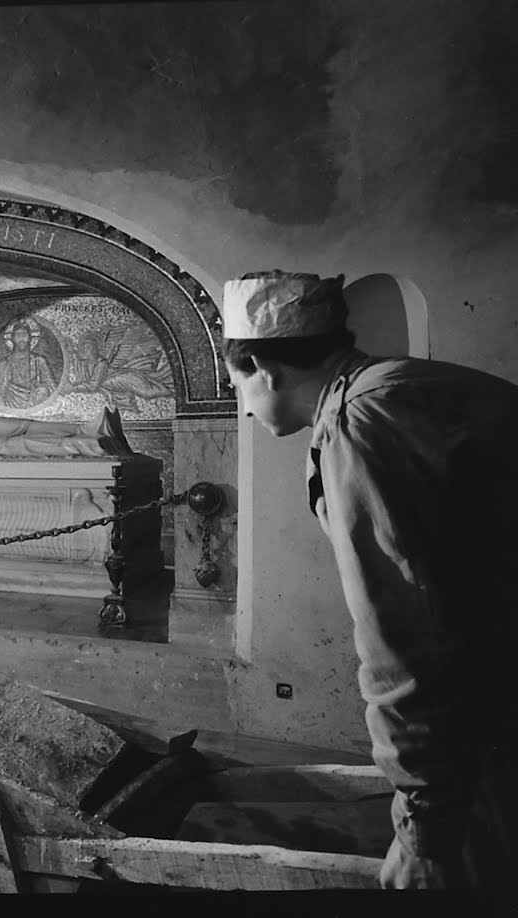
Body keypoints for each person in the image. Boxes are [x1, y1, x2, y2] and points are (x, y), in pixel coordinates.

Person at [221, 269, 518, 890]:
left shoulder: (361, 423)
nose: (244, 409)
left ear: (266, 371)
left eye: (237, 385)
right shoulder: (399, 388)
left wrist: (422, 829)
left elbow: (408, 635)